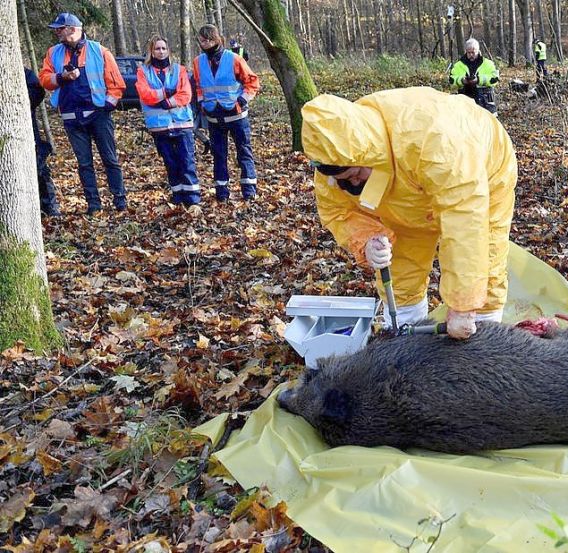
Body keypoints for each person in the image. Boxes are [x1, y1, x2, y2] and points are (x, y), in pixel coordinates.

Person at [301, 87, 518, 340]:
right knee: (401, 269)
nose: (353, 181)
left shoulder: (433, 139)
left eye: (356, 174)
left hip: (481, 173)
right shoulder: (333, 154)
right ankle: (407, 337)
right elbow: (336, 211)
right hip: (406, 195)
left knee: (486, 260)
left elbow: (465, 222)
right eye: (345, 177)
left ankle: (485, 337)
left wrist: (464, 305)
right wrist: (367, 239)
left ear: (367, 153)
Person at [39, 12, 128, 215]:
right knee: (84, 163)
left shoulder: (100, 50)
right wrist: (62, 76)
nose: (57, 33)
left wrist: (106, 107)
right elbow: (44, 79)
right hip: (71, 117)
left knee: (110, 159)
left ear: (73, 29)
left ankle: (120, 201)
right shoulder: (53, 52)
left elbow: (117, 85)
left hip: (98, 115)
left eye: (59, 29)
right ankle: (93, 205)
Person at [192, 24, 260, 202]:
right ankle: (221, 192)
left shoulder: (234, 59)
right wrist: (202, 103)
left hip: (237, 115)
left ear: (216, 39)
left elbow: (252, 82)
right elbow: (199, 86)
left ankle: (249, 191)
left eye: (208, 40)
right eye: (202, 40)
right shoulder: (198, 62)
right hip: (214, 116)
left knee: (244, 152)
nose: (205, 43)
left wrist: (242, 100)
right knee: (219, 155)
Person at [136, 35, 201, 206]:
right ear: (151, 51)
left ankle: (193, 200)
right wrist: (167, 92)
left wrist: (167, 101)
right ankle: (178, 197)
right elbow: (145, 94)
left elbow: (186, 94)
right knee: (171, 164)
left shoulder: (178, 70)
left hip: (182, 123)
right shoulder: (143, 71)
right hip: (159, 126)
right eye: (157, 48)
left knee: (187, 162)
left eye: (164, 48)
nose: (161, 51)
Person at [25, 66, 60, 217]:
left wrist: (18, 101)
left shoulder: (20, 72)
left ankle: (49, 208)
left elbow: (38, 91)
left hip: (25, 129)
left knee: (39, 169)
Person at [448, 38, 500, 115]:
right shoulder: (458, 65)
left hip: (486, 102)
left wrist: (479, 80)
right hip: (465, 101)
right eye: (469, 53)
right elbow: (451, 80)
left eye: (473, 52)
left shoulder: (488, 64)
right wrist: (462, 80)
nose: (471, 55)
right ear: (466, 51)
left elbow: (495, 79)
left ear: (478, 51)